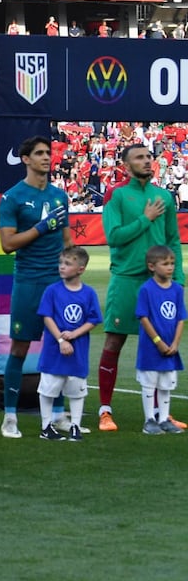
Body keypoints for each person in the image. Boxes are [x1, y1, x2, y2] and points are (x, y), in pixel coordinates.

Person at [97, 144, 185, 431]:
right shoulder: (117, 194)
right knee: (114, 342)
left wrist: (178, 280)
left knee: (162, 344)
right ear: (125, 164)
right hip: (126, 279)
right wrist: (144, 219)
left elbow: (173, 240)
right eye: (139, 157)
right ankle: (105, 411)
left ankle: (162, 414)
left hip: (161, 285)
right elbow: (114, 236)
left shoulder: (164, 196)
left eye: (149, 157)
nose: (147, 161)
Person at [0, 136, 74, 439]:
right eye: (40, 153)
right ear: (25, 159)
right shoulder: (13, 197)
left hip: (57, 282)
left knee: (60, 345)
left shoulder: (59, 196)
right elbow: (7, 244)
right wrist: (40, 228)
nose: (46, 157)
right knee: (19, 346)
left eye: (48, 153)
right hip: (29, 280)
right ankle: (10, 417)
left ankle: (59, 414)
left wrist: (73, 270)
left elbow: (67, 239)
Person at [34, 246, 102, 442]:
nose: (62, 267)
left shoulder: (88, 293)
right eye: (61, 263)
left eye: (67, 264)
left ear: (81, 269)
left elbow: (93, 320)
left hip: (78, 351)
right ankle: (46, 426)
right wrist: (61, 339)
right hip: (54, 350)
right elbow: (46, 316)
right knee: (48, 387)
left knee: (77, 388)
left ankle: (75, 426)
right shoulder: (52, 290)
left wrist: (74, 334)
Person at [135, 245, 186, 435]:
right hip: (151, 347)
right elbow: (143, 317)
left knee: (166, 384)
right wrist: (158, 341)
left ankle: (164, 419)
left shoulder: (177, 289)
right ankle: (149, 420)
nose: (170, 267)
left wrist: (175, 343)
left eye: (172, 263)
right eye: (165, 264)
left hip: (170, 347)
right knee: (149, 382)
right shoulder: (146, 289)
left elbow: (181, 317)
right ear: (152, 266)